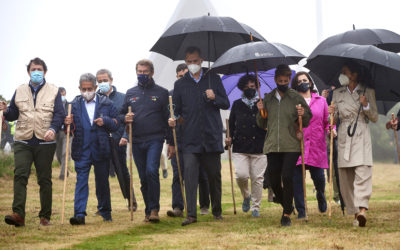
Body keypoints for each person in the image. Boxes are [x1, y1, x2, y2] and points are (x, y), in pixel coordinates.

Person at [169, 47, 230, 226]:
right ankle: (191, 215)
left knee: (213, 176)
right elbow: (177, 110)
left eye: (195, 61)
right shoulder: (180, 85)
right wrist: (175, 119)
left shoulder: (214, 78)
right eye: (189, 61)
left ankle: (217, 211)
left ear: (202, 60)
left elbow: (225, 103)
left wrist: (214, 97)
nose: (192, 64)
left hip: (211, 137)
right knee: (190, 176)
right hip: (190, 139)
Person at [1, 57, 65, 226]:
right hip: (23, 140)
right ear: (28, 72)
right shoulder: (20, 90)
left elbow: (59, 114)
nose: (36, 72)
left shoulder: (54, 90)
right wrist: (6, 111)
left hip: (45, 141)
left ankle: (45, 216)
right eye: (33, 69)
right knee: (20, 175)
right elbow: (14, 113)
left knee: (44, 179)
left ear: (45, 72)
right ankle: (18, 214)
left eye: (39, 69)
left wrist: (52, 129)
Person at [256, 64, 312, 226]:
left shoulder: (295, 97)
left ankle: (286, 214)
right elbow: (261, 123)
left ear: (289, 80)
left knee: (287, 177)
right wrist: (260, 111)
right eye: (280, 80)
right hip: (272, 144)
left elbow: (307, 118)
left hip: (291, 144)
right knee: (273, 181)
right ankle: (287, 204)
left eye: (286, 80)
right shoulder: (267, 98)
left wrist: (303, 114)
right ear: (275, 80)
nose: (283, 83)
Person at [328, 60, 378, 227]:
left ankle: (363, 208)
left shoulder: (367, 91)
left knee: (363, 171)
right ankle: (356, 214)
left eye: (345, 71)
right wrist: (331, 114)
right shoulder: (337, 93)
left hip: (361, 133)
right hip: (344, 134)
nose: (342, 74)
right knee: (345, 176)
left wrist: (366, 105)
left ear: (355, 74)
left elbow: (374, 117)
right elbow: (332, 121)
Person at [65, 73, 118, 225]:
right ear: (79, 88)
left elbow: (116, 124)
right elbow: (66, 128)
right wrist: (67, 123)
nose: (87, 91)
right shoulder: (73, 105)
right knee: (81, 181)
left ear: (95, 88)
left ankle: (105, 211)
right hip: (81, 149)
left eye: (89, 88)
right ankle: (79, 214)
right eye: (84, 89)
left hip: (101, 148)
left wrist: (105, 121)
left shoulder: (106, 103)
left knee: (102, 181)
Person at [121, 59, 170, 223]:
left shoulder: (162, 93)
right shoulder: (130, 93)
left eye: (145, 72)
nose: (142, 74)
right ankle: (148, 210)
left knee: (151, 171)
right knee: (143, 177)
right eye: (139, 72)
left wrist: (171, 142)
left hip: (155, 139)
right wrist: (125, 118)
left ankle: (155, 208)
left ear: (152, 72)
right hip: (136, 140)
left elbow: (167, 119)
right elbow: (120, 115)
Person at [166, 63, 210, 218]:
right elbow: (170, 121)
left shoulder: (197, 92)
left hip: (197, 139)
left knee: (202, 174)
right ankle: (178, 206)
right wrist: (170, 142)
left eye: (184, 75)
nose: (182, 78)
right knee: (178, 174)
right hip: (178, 140)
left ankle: (204, 204)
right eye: (179, 76)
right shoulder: (171, 96)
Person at [225, 74, 267, 218]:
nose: (250, 89)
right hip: (240, 146)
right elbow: (231, 124)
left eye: (252, 87)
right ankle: (246, 195)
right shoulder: (236, 104)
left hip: (259, 146)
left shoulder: (263, 103)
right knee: (241, 176)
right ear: (242, 88)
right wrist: (228, 138)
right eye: (247, 87)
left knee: (257, 178)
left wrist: (263, 111)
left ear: (257, 87)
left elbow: (269, 123)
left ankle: (256, 207)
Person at [291, 72, 331, 219]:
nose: (302, 82)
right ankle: (301, 210)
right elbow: (288, 122)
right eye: (299, 81)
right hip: (297, 145)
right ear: (295, 85)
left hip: (316, 146)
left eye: (305, 80)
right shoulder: (292, 101)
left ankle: (321, 194)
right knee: (297, 180)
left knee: (319, 178)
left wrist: (331, 130)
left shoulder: (321, 101)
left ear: (310, 83)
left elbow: (327, 123)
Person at [96, 69, 138, 212]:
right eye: (99, 81)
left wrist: (125, 137)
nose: (102, 83)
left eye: (104, 80)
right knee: (101, 174)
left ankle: (131, 200)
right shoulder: (95, 99)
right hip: (100, 142)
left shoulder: (123, 98)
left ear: (111, 80)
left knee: (122, 171)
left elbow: (129, 120)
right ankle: (103, 205)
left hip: (118, 139)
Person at [54, 87, 72, 180]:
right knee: (58, 154)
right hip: (57, 132)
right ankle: (65, 170)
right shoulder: (53, 105)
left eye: (63, 94)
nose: (62, 96)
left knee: (65, 153)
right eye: (60, 94)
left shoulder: (70, 105)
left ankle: (62, 175)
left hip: (67, 132)